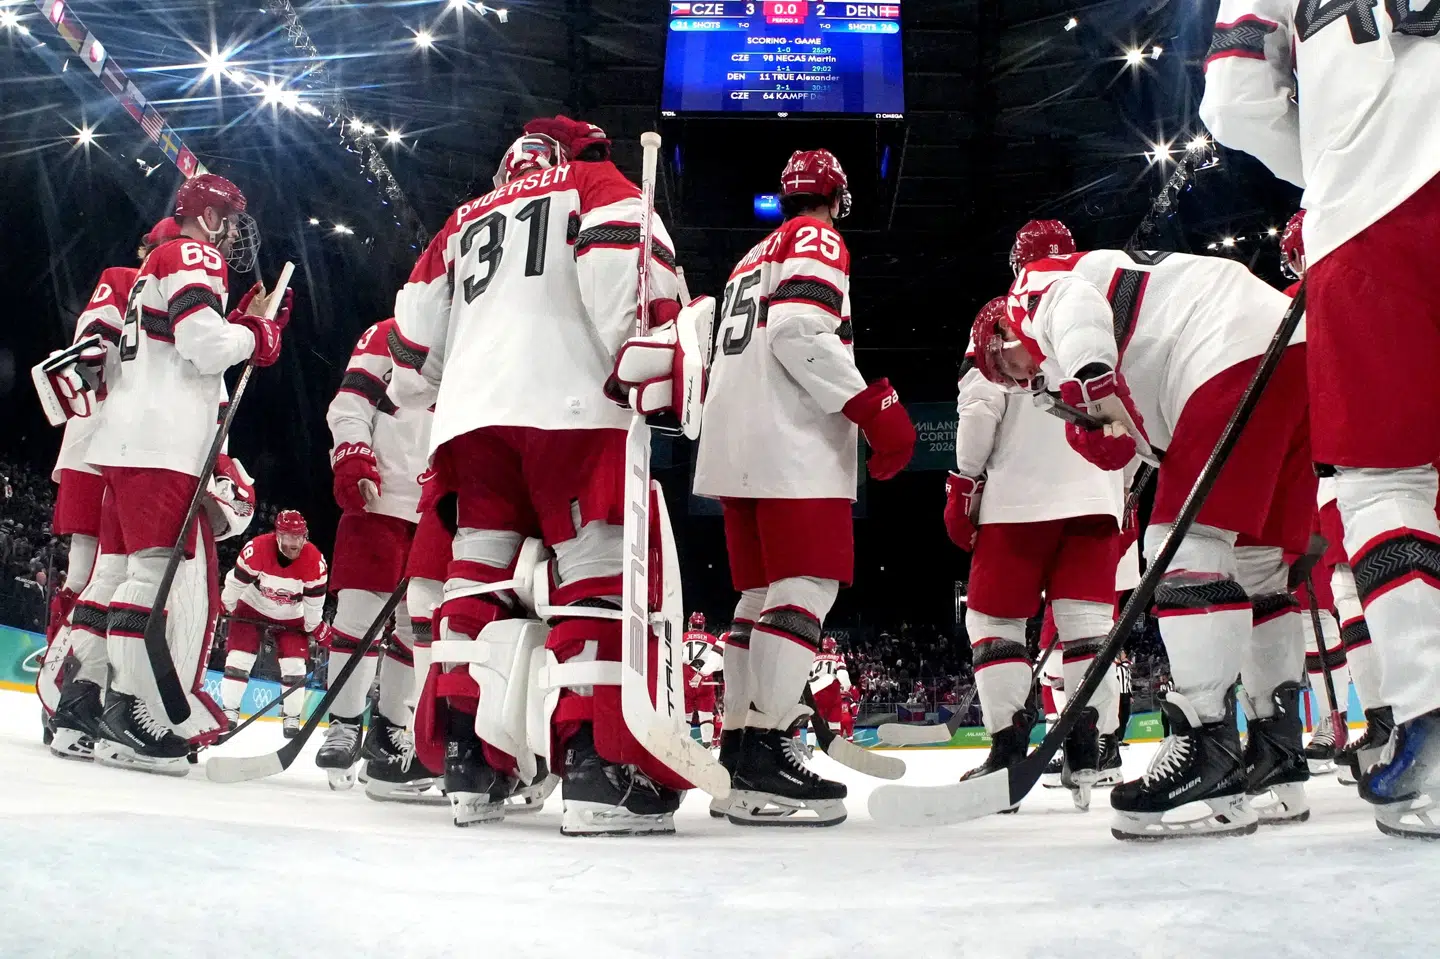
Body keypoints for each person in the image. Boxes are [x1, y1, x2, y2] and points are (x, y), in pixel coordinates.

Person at [390, 117, 687, 834]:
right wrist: (644, 348)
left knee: (477, 578)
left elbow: (409, 358)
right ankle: (599, 765)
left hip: (472, 420)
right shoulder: (592, 180)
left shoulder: (459, 221)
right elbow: (626, 269)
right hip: (572, 406)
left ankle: (468, 758)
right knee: (596, 574)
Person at [975, 219, 1315, 838]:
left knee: (1183, 549)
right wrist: (1116, 429)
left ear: (1000, 327)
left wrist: (1096, 380)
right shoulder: (1117, 307)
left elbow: (1070, 304)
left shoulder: (1034, 290)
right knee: (1261, 570)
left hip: (1226, 350)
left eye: (1009, 368)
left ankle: (1206, 748)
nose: (1022, 381)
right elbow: (1152, 436)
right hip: (1289, 349)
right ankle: (1278, 754)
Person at [1198, 0, 1440, 839]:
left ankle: (1432, 726)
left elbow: (1233, 98)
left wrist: (1340, 159)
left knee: (1386, 476)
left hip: (1372, 207)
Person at [683, 148, 915, 827]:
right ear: (838, 199)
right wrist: (870, 406)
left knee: (757, 598)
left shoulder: (747, 257)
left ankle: (737, 754)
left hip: (732, 440)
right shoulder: (814, 236)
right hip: (790, 442)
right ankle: (766, 748)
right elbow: (797, 329)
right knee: (805, 587)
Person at [82, 173, 289, 774]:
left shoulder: (156, 263)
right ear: (210, 214)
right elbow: (200, 342)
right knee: (152, 579)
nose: (232, 233)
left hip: (126, 437)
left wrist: (241, 325)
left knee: (123, 574)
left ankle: (94, 703)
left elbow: (175, 337)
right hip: (163, 439)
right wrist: (255, 335)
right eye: (229, 217)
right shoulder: (192, 252)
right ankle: (131, 712)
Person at [948, 297, 1127, 811]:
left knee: (993, 623)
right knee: (1087, 629)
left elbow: (978, 416)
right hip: (1097, 499)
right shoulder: (1097, 312)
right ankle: (1087, 747)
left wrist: (965, 479)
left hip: (1017, 503)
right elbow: (1128, 421)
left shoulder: (1002, 317)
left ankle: (1008, 747)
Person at [37, 217, 182, 758]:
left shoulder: (178, 290)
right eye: (165, 247)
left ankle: (86, 701)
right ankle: (65, 700)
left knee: (114, 576)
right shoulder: (124, 278)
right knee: (88, 576)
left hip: (135, 450)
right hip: (99, 448)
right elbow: (91, 345)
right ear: (146, 247)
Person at [315, 317, 433, 790]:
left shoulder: (473, 334)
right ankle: (344, 724)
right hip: (379, 493)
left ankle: (389, 733)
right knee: (359, 613)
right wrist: (353, 454)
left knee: (417, 621)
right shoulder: (387, 333)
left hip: (436, 502)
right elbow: (349, 403)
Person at [219, 509, 327, 738]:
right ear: (277, 535)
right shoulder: (257, 548)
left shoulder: (315, 561)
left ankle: (291, 716)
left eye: (299, 536)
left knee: (295, 665)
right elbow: (235, 583)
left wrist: (314, 626)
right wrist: (226, 605)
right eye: (290, 536)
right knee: (239, 658)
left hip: (291, 615)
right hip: (252, 606)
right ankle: (229, 711)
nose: (295, 542)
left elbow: (314, 603)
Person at [683, 613, 722, 747]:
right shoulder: (713, 639)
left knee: (685, 717)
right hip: (705, 680)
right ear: (703, 625)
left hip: (685, 678)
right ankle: (707, 748)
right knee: (706, 717)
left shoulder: (682, 638)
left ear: (690, 624)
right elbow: (719, 661)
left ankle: (683, 747)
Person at [807, 636, 853, 734]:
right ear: (833, 647)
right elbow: (843, 675)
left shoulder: (815, 658)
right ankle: (835, 748)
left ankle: (810, 747)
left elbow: (809, 677)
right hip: (832, 694)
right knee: (834, 724)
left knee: (812, 722)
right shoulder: (838, 658)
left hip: (817, 693)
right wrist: (846, 687)